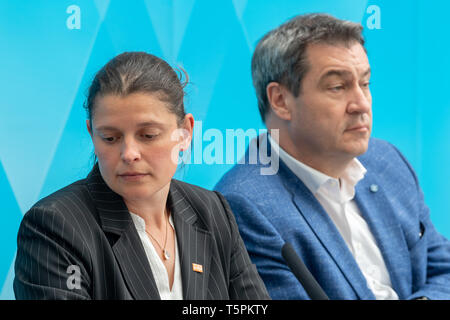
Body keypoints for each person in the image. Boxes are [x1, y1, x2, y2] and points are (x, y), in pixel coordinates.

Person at [215, 14, 450, 300]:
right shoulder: (243, 205)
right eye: (338, 87)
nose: (361, 104)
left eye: (365, 84)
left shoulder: (387, 161)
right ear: (280, 101)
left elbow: (443, 270)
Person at [14, 52, 269, 300]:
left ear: (185, 133)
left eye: (148, 135)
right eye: (110, 138)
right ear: (92, 133)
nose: (129, 153)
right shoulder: (55, 226)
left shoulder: (213, 211)